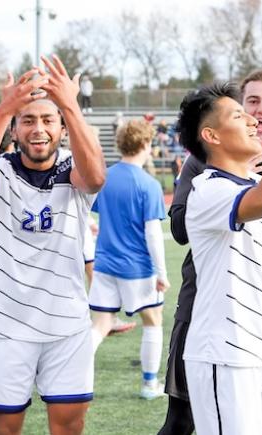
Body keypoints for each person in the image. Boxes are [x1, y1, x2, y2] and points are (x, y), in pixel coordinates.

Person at [0, 55, 106, 435]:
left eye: (47, 119)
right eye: (28, 120)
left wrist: (71, 105)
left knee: (69, 426)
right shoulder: (1, 169)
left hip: (67, 323)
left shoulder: (74, 169)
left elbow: (96, 178)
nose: (38, 128)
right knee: (6, 428)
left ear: (61, 127)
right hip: (5, 325)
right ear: (14, 130)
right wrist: (5, 106)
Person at [158, 70, 262, 435]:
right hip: (227, 354)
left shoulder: (251, 183)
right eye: (239, 115)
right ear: (211, 136)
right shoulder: (208, 189)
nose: (253, 120)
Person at [89, 119, 170, 400]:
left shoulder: (105, 177)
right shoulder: (148, 184)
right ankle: (149, 385)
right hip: (137, 269)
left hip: (104, 265)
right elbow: (153, 234)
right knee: (153, 320)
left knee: (99, 325)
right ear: (146, 144)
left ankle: (67, 377)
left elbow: (90, 211)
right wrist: (162, 273)